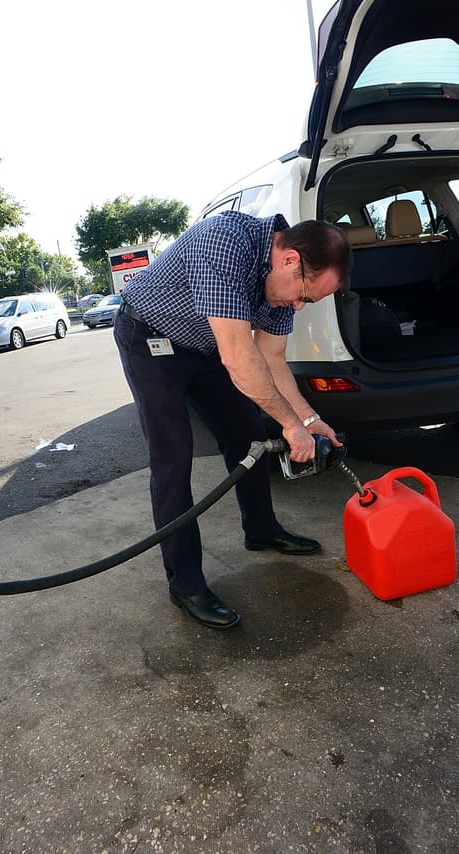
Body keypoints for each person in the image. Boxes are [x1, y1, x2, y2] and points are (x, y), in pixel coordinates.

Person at [114, 212, 353, 629]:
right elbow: (239, 357)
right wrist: (290, 426)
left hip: (205, 345)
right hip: (150, 339)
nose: (299, 306)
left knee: (247, 434)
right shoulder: (225, 242)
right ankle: (185, 583)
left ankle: (261, 530)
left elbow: (273, 360)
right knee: (173, 459)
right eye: (304, 296)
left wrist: (308, 419)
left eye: (308, 303)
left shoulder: (282, 289)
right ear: (290, 260)